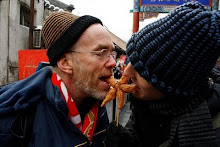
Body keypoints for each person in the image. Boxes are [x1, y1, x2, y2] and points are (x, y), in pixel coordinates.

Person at [106, 2, 220, 147]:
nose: (127, 72)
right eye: (131, 60)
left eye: (142, 69)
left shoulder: (212, 133)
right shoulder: (146, 103)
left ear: (175, 80)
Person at [0, 12, 116, 147]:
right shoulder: (21, 116)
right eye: (101, 52)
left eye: (112, 53)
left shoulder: (97, 106)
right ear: (66, 63)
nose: (113, 62)